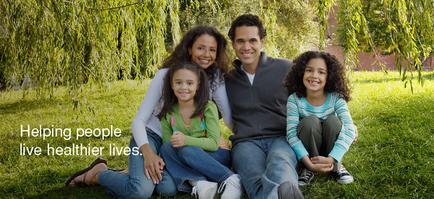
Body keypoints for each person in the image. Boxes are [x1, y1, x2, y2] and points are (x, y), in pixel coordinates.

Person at [66, 26, 233, 199]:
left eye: (212, 50)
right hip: (149, 138)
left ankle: (130, 173)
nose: (206, 54)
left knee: (167, 190)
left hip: (177, 146)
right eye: (200, 48)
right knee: (139, 191)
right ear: (190, 48)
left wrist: (249, 137)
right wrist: (148, 153)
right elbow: (138, 121)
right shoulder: (165, 76)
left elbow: (228, 117)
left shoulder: (215, 79)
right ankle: (99, 174)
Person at [225, 14, 304, 199]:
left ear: (262, 41)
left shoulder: (286, 68)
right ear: (233, 44)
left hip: (281, 136)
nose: (246, 47)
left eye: (252, 40)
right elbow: (205, 110)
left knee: (281, 163)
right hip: (245, 142)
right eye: (240, 41)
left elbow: (315, 94)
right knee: (252, 175)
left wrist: (343, 122)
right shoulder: (226, 78)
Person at [158, 62, 242, 199]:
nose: (184, 87)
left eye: (189, 83)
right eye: (178, 83)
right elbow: (169, 148)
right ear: (172, 85)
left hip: (217, 155)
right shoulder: (168, 112)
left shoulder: (207, 107)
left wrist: (186, 140)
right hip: (188, 158)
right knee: (165, 148)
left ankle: (231, 179)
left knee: (186, 149)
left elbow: (214, 143)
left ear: (197, 86)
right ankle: (200, 182)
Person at [285, 51, 356, 186]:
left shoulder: (336, 98)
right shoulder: (294, 100)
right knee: (309, 122)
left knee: (333, 121)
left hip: (331, 150)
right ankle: (307, 169)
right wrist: (308, 163)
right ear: (301, 73)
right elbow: (291, 135)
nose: (314, 76)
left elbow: (349, 129)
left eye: (321, 72)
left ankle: (336, 166)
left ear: (329, 76)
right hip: (309, 150)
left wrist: (333, 158)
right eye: (309, 70)